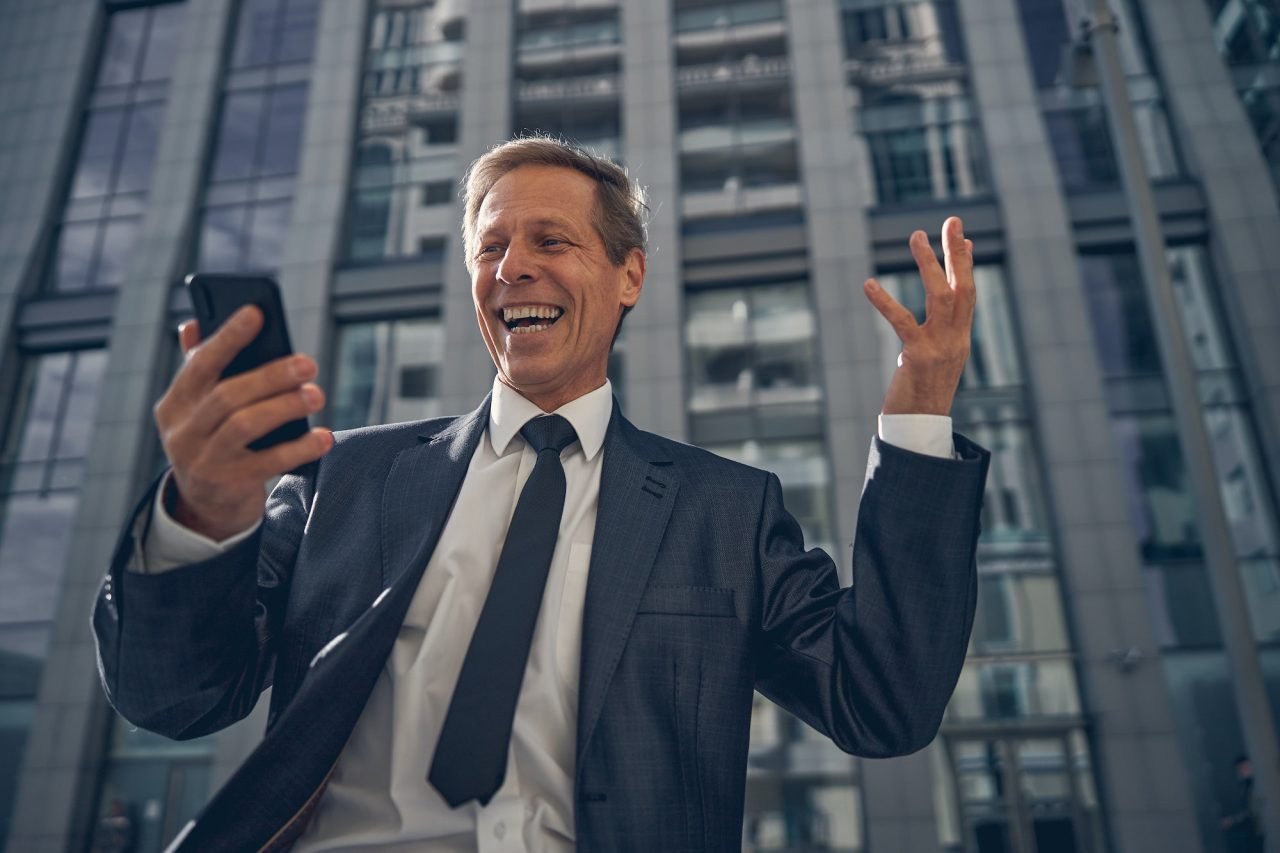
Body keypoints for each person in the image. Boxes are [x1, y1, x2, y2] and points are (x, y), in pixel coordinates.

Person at [93, 137, 990, 852]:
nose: (511, 266)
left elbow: (883, 702)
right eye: (491, 247)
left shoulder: (727, 512)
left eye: (551, 241)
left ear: (628, 275)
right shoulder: (344, 476)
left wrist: (919, 425)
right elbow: (174, 698)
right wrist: (203, 517)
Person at [1223, 754, 1265, 853]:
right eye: (1240, 769)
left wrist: (1233, 820)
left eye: (1245, 767)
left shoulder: (1258, 785)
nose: (1243, 771)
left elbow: (1254, 811)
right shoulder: (1246, 787)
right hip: (1256, 832)